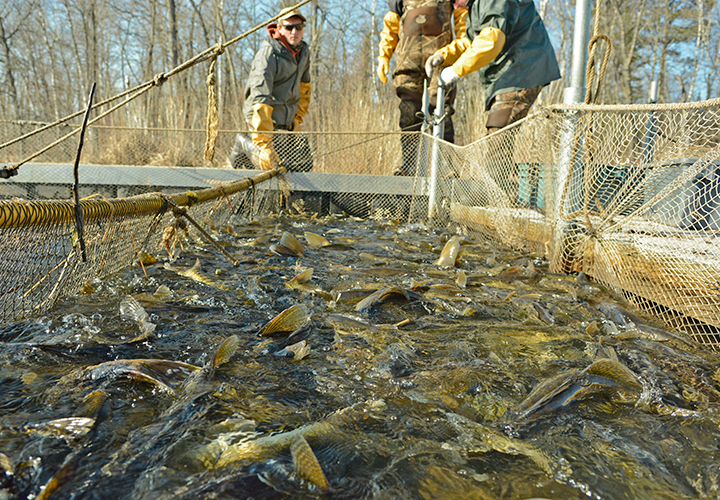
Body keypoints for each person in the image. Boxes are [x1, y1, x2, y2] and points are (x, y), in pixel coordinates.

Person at [425, 0, 560, 135]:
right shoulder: (476, 6)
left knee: (497, 134)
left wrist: (456, 71)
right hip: (508, 74)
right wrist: (443, 55)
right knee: (496, 135)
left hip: (521, 69)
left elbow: (491, 39)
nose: (455, 7)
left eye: (454, 1)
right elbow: (471, 41)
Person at [376, 0, 468, 176]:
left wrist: (462, 47)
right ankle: (409, 164)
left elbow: (462, 19)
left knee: (441, 110)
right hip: (407, 62)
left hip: (441, 59)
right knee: (408, 113)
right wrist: (383, 56)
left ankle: (447, 166)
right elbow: (391, 24)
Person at [231, 7, 313, 172]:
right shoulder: (269, 54)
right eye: (289, 27)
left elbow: (304, 89)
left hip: (285, 120)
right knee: (267, 163)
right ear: (280, 28)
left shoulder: (303, 52)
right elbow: (261, 97)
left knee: (302, 166)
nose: (294, 31)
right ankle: (244, 145)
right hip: (261, 115)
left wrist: (296, 120)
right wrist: (263, 143)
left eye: (298, 27)